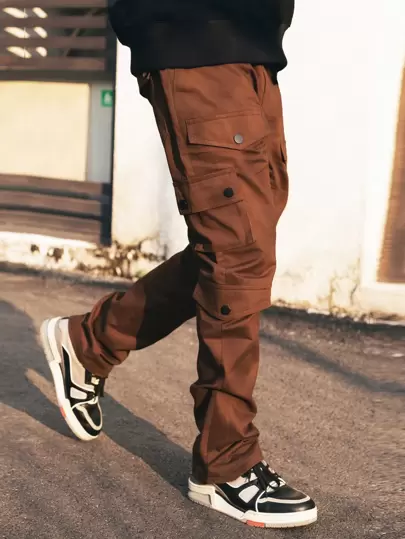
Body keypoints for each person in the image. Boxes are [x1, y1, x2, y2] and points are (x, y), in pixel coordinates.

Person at [40, 0, 317, 529]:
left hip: (255, 45)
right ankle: (226, 464)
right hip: (197, 36)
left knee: (236, 249)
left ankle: (88, 342)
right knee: (236, 253)